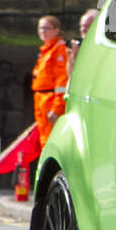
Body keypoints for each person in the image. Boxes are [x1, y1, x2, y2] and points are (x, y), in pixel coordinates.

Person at [31, 15, 68, 148]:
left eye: (47, 28)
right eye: (41, 28)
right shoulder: (46, 50)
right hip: (41, 99)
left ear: (56, 30)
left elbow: (62, 80)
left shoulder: (58, 49)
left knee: (50, 140)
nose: (43, 31)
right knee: (43, 139)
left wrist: (57, 108)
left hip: (50, 100)